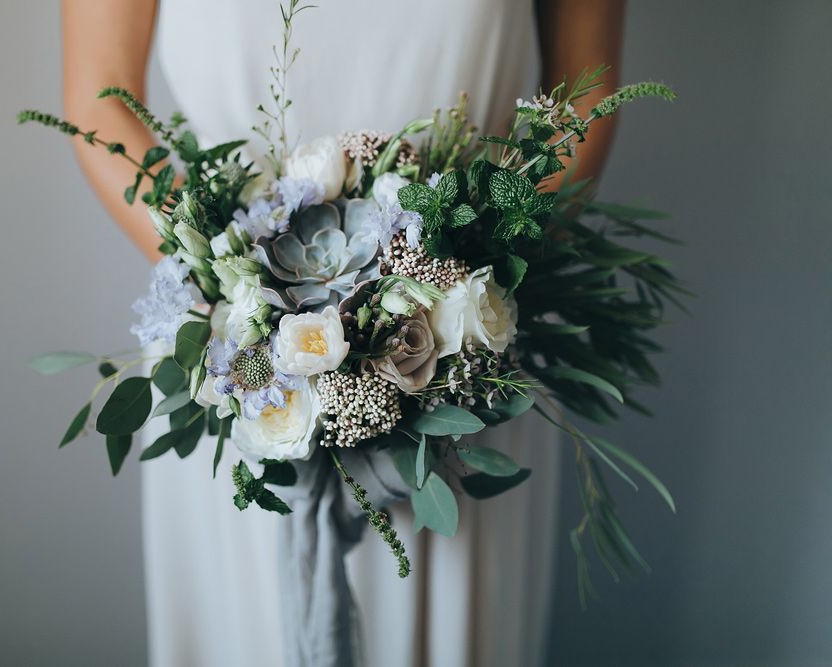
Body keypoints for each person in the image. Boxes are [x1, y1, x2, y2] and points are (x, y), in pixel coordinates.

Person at [62, 1, 624, 665]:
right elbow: (100, 101)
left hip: (465, 383)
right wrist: (238, 299)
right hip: (241, 382)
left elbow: (585, 93)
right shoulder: (238, 350)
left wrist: (459, 290)